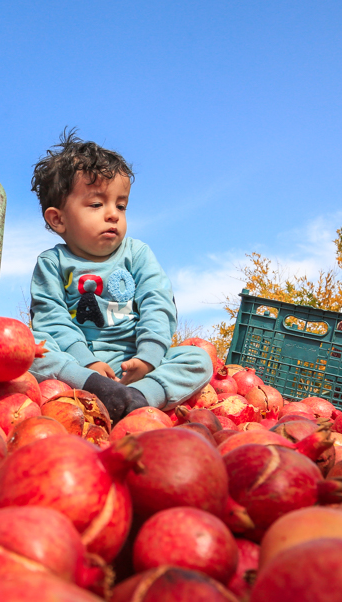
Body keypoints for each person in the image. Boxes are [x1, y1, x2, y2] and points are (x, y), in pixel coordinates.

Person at [26, 132, 213, 421]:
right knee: (31, 348)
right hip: (81, 367)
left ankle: (139, 397)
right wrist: (87, 364)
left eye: (121, 206)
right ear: (58, 219)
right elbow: (51, 319)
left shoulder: (137, 254)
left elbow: (158, 303)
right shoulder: (53, 262)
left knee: (198, 359)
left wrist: (148, 357)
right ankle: (97, 389)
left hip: (134, 364)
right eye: (97, 204)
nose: (113, 214)